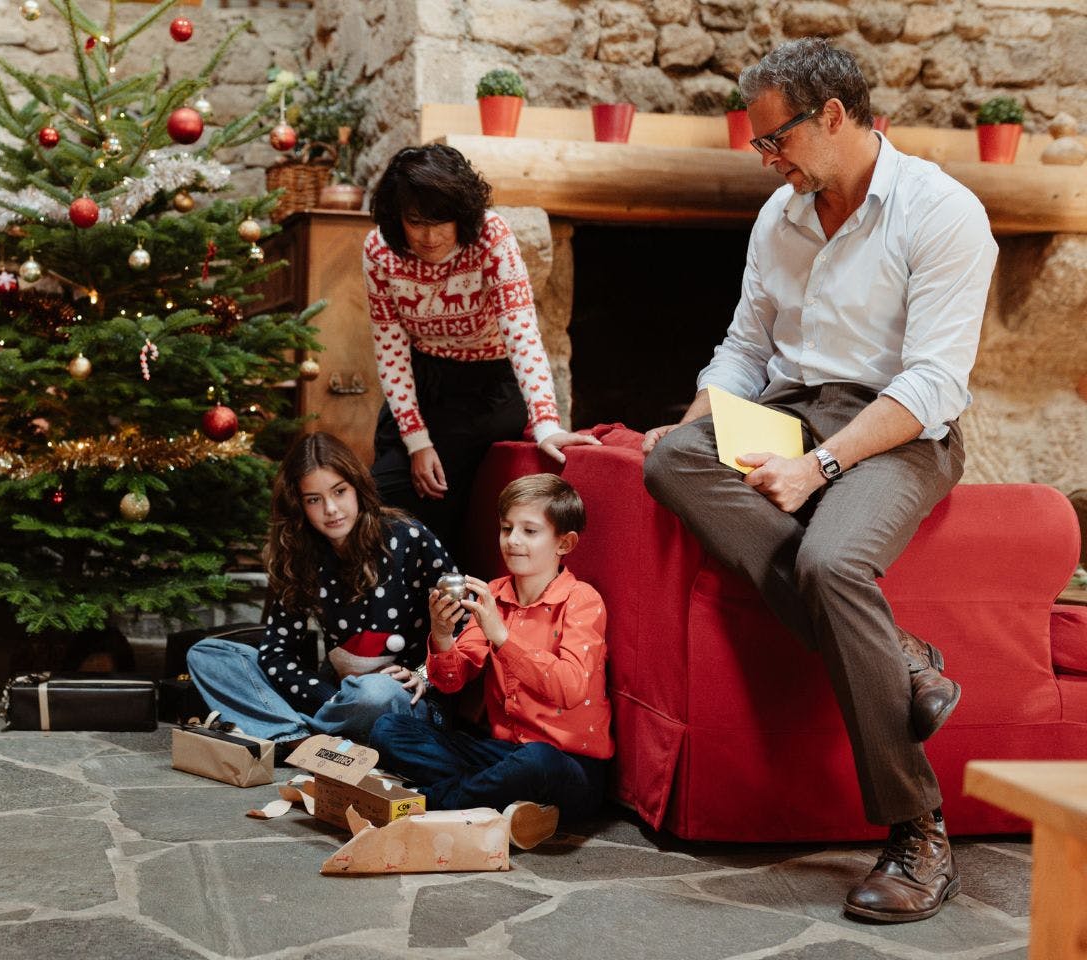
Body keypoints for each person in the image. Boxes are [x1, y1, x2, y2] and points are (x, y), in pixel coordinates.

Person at [641, 39, 997, 922]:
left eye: (776, 140)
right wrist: (695, 423)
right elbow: (747, 349)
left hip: (900, 430)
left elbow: (933, 384)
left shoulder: (942, 213)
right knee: (667, 458)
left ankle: (920, 832)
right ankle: (901, 657)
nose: (767, 158)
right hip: (793, 410)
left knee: (832, 566)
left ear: (834, 116)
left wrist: (819, 467)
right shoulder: (781, 217)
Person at [362, 144, 600, 557]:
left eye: (442, 222)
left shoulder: (492, 238)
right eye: (416, 222)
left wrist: (546, 424)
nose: (430, 237)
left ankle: (445, 607)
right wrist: (417, 442)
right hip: (421, 381)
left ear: (463, 215)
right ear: (397, 217)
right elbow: (390, 348)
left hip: (488, 384)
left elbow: (523, 334)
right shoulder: (379, 250)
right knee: (385, 490)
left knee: (439, 493)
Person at [368, 475, 609, 851]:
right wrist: (443, 634)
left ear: (565, 543)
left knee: (537, 761)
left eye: (530, 531)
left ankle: (434, 801)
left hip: (567, 764)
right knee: (387, 729)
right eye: (507, 528)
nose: (513, 540)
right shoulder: (495, 592)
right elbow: (451, 681)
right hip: (500, 754)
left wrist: (502, 637)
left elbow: (572, 686)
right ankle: (502, 802)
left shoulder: (582, 600)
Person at [186, 432, 454, 746]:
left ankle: (292, 732)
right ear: (299, 505)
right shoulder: (302, 554)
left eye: (339, 492)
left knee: (373, 693)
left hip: (400, 700)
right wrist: (329, 696)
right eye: (314, 499)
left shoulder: (408, 537)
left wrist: (423, 674)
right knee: (208, 654)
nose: (331, 508)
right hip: (338, 695)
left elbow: (465, 627)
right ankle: (295, 735)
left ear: (357, 488)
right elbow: (276, 652)